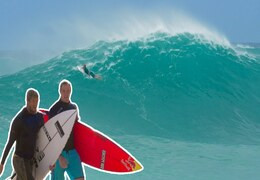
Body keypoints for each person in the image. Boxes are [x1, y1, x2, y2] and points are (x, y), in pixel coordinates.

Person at [0, 88, 44, 180]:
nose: (35, 104)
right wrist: (2, 163)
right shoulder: (19, 120)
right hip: (19, 159)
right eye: (33, 101)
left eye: (37, 101)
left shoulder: (39, 117)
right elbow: (10, 143)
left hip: (30, 160)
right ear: (27, 101)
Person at [49, 80, 85, 180]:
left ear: (71, 91)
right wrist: (59, 157)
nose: (66, 93)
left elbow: (78, 129)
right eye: (64, 91)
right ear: (60, 91)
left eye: (68, 91)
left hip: (72, 152)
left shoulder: (74, 108)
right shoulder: (54, 109)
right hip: (59, 153)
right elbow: (51, 136)